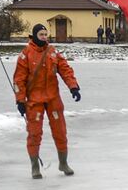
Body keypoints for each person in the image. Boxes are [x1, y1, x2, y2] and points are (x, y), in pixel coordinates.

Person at [14, 23, 81, 178]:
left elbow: (65, 69)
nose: (44, 37)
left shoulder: (53, 52)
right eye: (41, 34)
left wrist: (73, 86)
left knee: (60, 131)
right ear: (35, 35)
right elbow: (19, 80)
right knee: (34, 133)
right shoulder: (26, 54)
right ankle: (35, 166)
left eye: (46, 34)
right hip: (34, 101)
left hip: (53, 98)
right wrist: (20, 101)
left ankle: (63, 163)